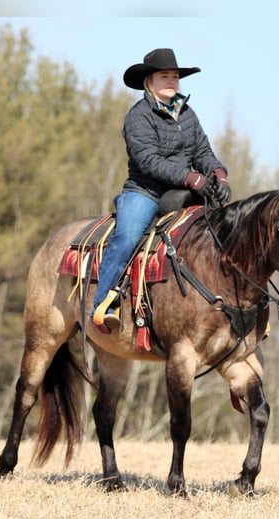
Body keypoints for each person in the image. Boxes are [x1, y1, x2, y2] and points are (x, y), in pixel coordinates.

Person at [90, 48, 232, 333]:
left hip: (185, 190)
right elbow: (148, 160)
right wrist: (191, 178)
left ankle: (235, 304)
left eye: (175, 76)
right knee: (128, 236)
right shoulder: (138, 116)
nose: (171, 81)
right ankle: (104, 303)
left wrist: (218, 174)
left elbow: (203, 151)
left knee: (228, 231)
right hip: (145, 191)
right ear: (149, 81)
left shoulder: (187, 114)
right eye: (164, 76)